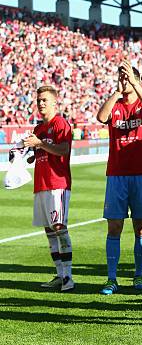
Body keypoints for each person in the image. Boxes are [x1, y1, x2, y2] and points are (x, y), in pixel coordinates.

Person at [96, 61, 142, 295]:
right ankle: (112, 278)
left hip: (141, 174)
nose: (124, 82)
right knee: (114, 227)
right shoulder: (115, 105)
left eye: (127, 78)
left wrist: (134, 83)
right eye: (121, 77)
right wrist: (117, 90)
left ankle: (138, 275)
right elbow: (101, 117)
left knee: (140, 228)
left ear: (136, 81)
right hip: (117, 174)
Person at [23, 85, 74, 292]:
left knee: (59, 227)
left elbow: (63, 149)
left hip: (57, 184)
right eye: (39, 100)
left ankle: (69, 277)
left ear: (55, 102)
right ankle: (60, 274)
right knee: (49, 231)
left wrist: (41, 143)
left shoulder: (60, 123)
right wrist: (28, 153)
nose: (41, 103)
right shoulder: (38, 129)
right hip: (41, 184)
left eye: (45, 100)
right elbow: (39, 154)